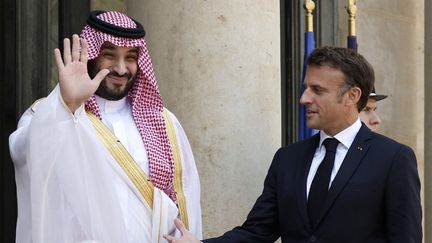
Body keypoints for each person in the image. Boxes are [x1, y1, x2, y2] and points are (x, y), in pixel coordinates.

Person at [164, 46, 422, 243]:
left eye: (317, 90)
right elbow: (257, 232)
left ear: (352, 96)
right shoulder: (288, 158)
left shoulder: (393, 158)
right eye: (305, 88)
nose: (304, 98)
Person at [9, 10, 202, 243]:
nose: (121, 69)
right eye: (109, 55)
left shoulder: (165, 122)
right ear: (90, 56)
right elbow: (24, 154)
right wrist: (67, 105)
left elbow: (185, 199)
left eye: (131, 57)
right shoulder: (51, 114)